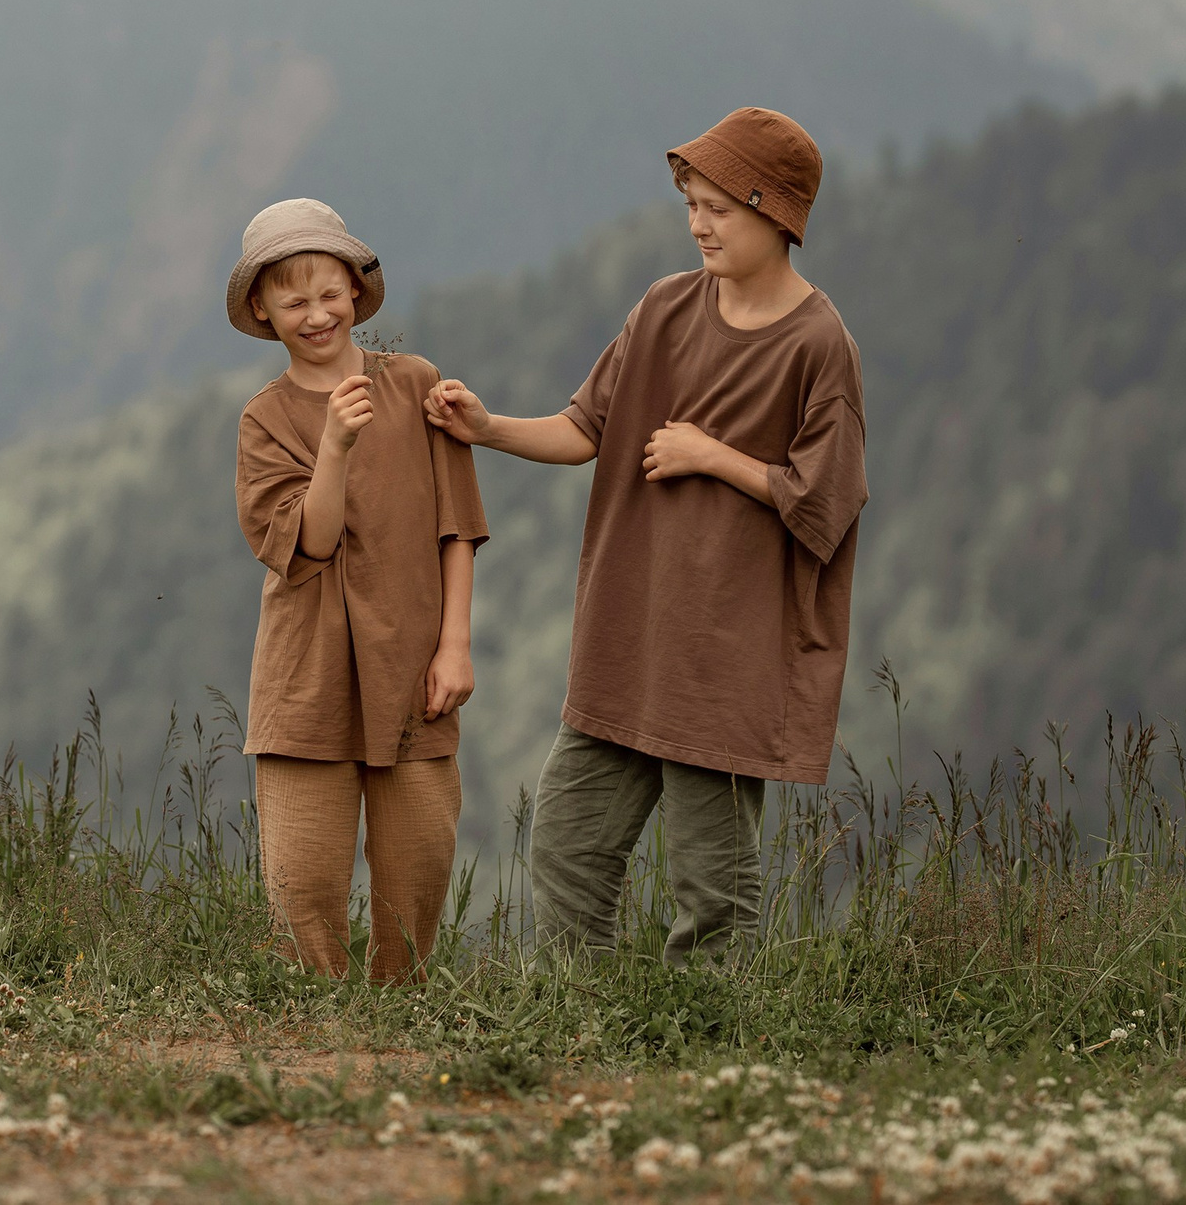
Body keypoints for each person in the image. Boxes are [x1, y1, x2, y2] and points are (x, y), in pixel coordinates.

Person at [425, 108, 866, 964]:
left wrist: (715, 457)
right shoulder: (664, 307)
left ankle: (707, 1060)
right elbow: (583, 429)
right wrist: (485, 428)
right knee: (566, 846)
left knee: (712, 887)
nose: (698, 224)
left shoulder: (818, 345)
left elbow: (828, 501)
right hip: (627, 635)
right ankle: (572, 1029)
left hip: (725, 657)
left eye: (719, 208)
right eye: (690, 204)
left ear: (776, 213)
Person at [229, 198, 490, 982]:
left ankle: (396, 1044)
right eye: (293, 300)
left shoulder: (414, 385)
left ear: (356, 290)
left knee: (416, 885)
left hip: (413, 672)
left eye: (329, 293)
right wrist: (336, 445)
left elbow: (458, 526)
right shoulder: (264, 420)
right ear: (262, 311)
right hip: (305, 682)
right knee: (303, 893)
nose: (316, 315)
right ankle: (318, 1053)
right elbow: (307, 543)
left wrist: (454, 647)